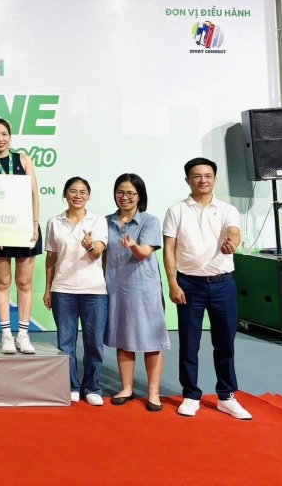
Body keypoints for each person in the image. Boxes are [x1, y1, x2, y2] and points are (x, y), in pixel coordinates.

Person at [163, 157, 252, 420]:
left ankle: (226, 396)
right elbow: (169, 249)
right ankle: (191, 395)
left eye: (208, 175)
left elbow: (234, 232)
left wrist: (232, 242)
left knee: (225, 342)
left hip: (223, 284)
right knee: (189, 343)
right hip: (189, 284)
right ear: (188, 180)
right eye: (197, 176)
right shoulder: (176, 211)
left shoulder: (226, 209)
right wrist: (173, 283)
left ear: (214, 179)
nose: (203, 180)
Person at [104, 174, 170, 412]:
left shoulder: (149, 221)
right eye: (120, 192)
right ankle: (127, 388)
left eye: (130, 193)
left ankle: (153, 392)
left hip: (144, 287)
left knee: (151, 339)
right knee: (123, 336)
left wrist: (133, 245)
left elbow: (144, 253)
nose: (125, 197)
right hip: (116, 285)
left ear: (139, 196)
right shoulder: (106, 221)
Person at [43, 177, 108, 406]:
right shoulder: (54, 222)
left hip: (94, 291)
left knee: (94, 343)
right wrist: (48, 288)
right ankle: (71, 386)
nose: (77, 196)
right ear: (65, 194)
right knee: (65, 343)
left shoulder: (98, 221)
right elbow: (51, 258)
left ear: (88, 196)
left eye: (82, 192)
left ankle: (92, 387)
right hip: (62, 290)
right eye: (73, 191)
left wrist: (90, 246)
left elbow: (97, 252)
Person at [0, 118, 41, 354]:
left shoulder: (23, 159)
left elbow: (34, 194)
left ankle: (23, 335)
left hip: (25, 226)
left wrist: (35, 224)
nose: (0, 139)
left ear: (10, 136)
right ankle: (6, 335)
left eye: (4, 134)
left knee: (25, 283)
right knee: (3, 283)